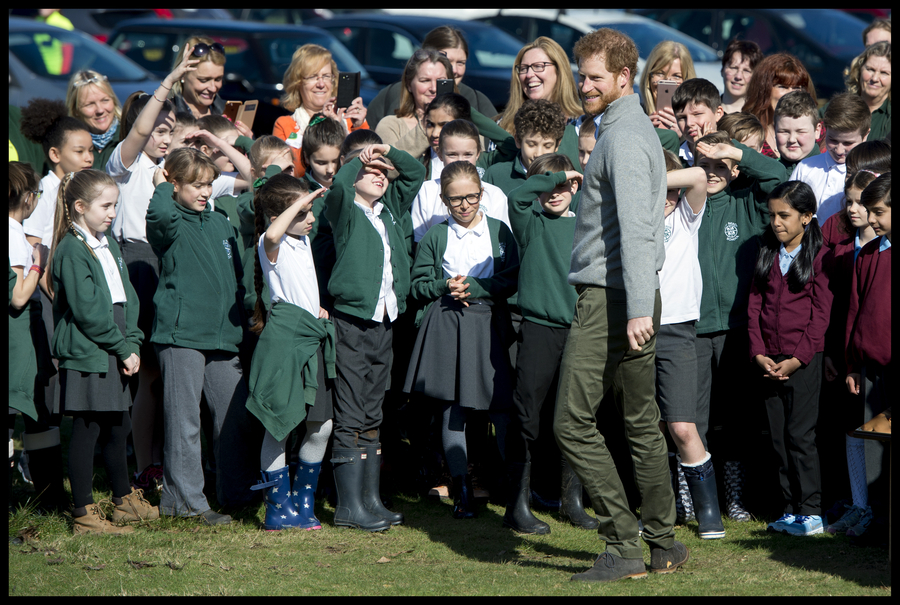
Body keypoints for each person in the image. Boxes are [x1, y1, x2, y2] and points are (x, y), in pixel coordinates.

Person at [554, 28, 687, 583]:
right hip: (629, 294)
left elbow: (636, 230)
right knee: (640, 422)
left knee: (571, 421)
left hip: (614, 298)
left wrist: (635, 309)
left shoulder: (624, 137)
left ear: (624, 77)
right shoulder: (624, 129)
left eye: (594, 77)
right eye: (581, 75)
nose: (584, 85)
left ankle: (622, 543)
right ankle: (662, 542)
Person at [146, 148, 257, 525]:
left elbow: (237, 278)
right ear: (174, 184)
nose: (205, 192)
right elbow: (159, 215)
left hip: (223, 336)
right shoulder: (170, 220)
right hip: (181, 336)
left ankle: (236, 493)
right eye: (195, 185)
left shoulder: (221, 222)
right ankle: (184, 503)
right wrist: (161, 186)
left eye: (209, 184)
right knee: (185, 422)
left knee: (233, 416)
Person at [404, 160, 519, 520]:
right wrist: (444, 285)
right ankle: (461, 489)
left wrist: (478, 287)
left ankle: (515, 490)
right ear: (444, 200)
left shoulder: (499, 231)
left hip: (488, 323)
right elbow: (418, 285)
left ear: (482, 194)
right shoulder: (437, 235)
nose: (465, 205)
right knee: (452, 408)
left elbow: (513, 276)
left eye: (471, 197)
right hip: (448, 323)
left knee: (501, 407)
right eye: (455, 200)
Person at [48, 170, 158, 534]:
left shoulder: (106, 242)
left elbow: (128, 298)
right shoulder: (71, 249)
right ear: (80, 207)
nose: (112, 213)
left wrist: (133, 342)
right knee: (88, 428)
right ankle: (83, 512)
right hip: (90, 353)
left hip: (115, 347)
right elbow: (89, 312)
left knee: (118, 425)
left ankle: (123, 500)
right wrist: (123, 348)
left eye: (115, 205)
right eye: (105, 206)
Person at [322, 142, 425, 531]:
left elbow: (414, 173)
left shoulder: (390, 210)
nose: (380, 175)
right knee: (351, 410)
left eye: (384, 171)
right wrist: (356, 162)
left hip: (384, 321)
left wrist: (387, 151)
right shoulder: (345, 210)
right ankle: (348, 506)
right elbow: (337, 188)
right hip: (352, 322)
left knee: (373, 409)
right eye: (371, 171)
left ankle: (370, 499)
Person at [105, 51, 189, 495]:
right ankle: (141, 467)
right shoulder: (126, 164)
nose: (164, 137)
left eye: (169, 130)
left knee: (159, 378)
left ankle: (158, 461)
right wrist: (169, 81)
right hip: (136, 264)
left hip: (165, 263)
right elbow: (139, 131)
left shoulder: (167, 169)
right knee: (144, 375)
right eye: (159, 129)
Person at [501, 154, 586, 534]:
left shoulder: (586, 224)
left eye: (563, 185)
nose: (554, 191)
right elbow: (517, 197)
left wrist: (569, 179)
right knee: (527, 415)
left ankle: (572, 501)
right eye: (547, 184)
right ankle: (516, 506)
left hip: (580, 331)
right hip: (538, 329)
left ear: (576, 186)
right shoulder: (530, 222)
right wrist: (558, 175)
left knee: (575, 415)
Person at [244, 173, 333, 531]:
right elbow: (273, 235)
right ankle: (277, 508)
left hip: (311, 335)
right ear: (279, 216)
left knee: (321, 425)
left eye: (310, 211)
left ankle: (303, 500)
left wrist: (316, 309)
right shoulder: (271, 241)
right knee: (278, 424)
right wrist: (298, 202)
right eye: (302, 213)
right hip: (285, 341)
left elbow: (300, 285)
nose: (310, 218)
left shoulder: (303, 239)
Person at [749, 181, 832, 537]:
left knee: (800, 435)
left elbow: (821, 316)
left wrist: (798, 359)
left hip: (803, 361)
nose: (776, 222)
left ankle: (811, 511)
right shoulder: (767, 252)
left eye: (784, 215)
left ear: (807, 216)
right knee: (778, 437)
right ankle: (788, 509)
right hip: (769, 360)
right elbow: (754, 306)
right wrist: (758, 352)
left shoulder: (820, 257)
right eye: (772, 215)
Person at [658, 154, 725, 540]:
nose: (667, 197)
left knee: (683, 426)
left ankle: (708, 511)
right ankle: (658, 510)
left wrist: (657, 179)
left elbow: (699, 176)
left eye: (672, 189)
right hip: (637, 329)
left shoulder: (686, 215)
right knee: (650, 427)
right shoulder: (634, 220)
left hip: (678, 331)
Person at [822, 169, 880, 537]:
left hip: (876, 357)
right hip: (847, 356)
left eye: (862, 202)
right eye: (849, 202)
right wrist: (833, 354)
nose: (854, 209)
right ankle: (859, 505)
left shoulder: (883, 249)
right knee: (852, 429)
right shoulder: (841, 249)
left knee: (877, 433)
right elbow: (835, 308)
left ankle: (876, 509)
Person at [8, 161, 63, 513]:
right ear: (28, 198)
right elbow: (18, 295)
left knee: (37, 411)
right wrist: (38, 262)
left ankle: (49, 496)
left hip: (23, 338)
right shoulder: (14, 234)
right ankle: (47, 499)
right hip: (19, 337)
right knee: (26, 407)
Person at [844, 173, 891, 539]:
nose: (870, 219)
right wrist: (852, 364)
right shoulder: (870, 254)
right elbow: (855, 311)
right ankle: (877, 520)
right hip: (872, 369)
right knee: (874, 445)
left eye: (878, 211)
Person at [365, 25, 498, 128]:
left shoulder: (477, 100)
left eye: (461, 63)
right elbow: (368, 140)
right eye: (447, 61)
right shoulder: (393, 93)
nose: (454, 70)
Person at [274, 44, 368, 178]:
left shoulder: (350, 121)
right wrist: (320, 127)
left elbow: (366, 168)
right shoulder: (284, 125)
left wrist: (356, 126)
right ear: (298, 82)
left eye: (326, 76)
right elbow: (288, 172)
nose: (321, 84)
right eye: (312, 77)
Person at [412, 119, 510, 242]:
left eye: (468, 154)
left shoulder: (494, 195)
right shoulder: (426, 191)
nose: (460, 160)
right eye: (452, 154)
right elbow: (419, 241)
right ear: (440, 154)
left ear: (478, 154)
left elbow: (504, 242)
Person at [791, 93, 871, 223]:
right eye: (832, 140)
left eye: (848, 143)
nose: (839, 150)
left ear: (865, 135)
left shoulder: (870, 173)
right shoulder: (805, 168)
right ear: (824, 129)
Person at [375, 50, 456, 163]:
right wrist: (426, 124)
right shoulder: (391, 125)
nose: (433, 88)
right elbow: (388, 166)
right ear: (409, 84)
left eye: (441, 81)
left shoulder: (463, 124)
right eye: (425, 80)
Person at [498, 37, 583, 136]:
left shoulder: (582, 124)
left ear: (559, 71)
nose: (529, 74)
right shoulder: (505, 127)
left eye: (538, 66)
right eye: (524, 68)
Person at [483, 99, 569, 196]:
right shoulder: (495, 175)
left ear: (557, 144)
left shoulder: (567, 178)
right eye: (531, 145)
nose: (539, 154)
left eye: (547, 146)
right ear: (518, 140)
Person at [743, 54, 816, 159]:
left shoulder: (820, 134)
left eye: (796, 88)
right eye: (783, 87)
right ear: (764, 89)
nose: (790, 94)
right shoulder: (746, 132)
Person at [66, 70, 122, 171]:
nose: (100, 110)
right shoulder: (66, 144)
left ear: (113, 101)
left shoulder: (128, 136)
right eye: (90, 104)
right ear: (76, 110)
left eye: (105, 100)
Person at [641, 41, 697, 137]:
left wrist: (685, 137)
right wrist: (642, 133)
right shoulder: (635, 116)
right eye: (660, 73)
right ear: (648, 77)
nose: (667, 81)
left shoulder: (697, 120)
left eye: (676, 76)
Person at [169, 37, 229, 123]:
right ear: (182, 75)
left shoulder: (230, 114)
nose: (213, 88)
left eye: (218, 79)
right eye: (204, 80)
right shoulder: (166, 115)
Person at [843, 41, 891, 141]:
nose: (875, 78)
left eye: (884, 73)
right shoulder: (839, 107)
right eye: (870, 69)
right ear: (859, 70)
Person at [672, 78, 723, 166]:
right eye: (682, 117)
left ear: (718, 114)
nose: (689, 123)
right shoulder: (673, 157)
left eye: (697, 114)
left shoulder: (734, 151)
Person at [719, 39, 763, 114]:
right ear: (722, 70)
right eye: (734, 68)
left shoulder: (760, 117)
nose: (738, 76)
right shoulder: (707, 112)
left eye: (746, 71)